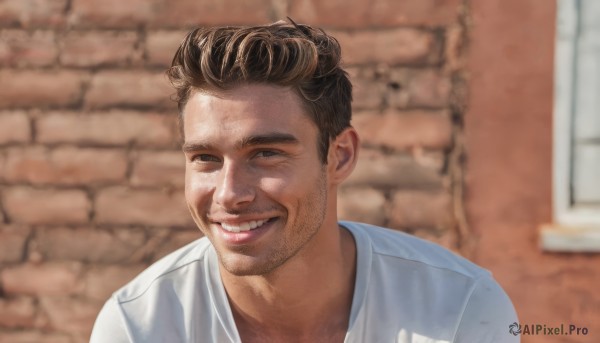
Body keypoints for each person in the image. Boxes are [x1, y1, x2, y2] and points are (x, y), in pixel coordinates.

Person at [90, 20, 519, 343]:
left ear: (340, 156)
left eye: (266, 154)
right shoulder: (139, 326)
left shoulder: (459, 309)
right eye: (205, 158)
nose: (229, 193)